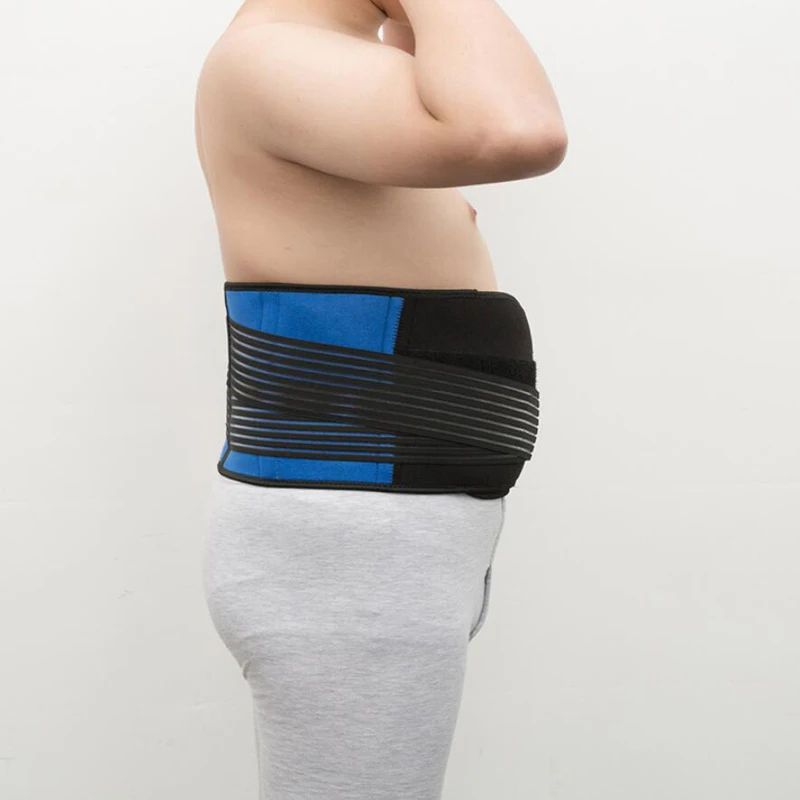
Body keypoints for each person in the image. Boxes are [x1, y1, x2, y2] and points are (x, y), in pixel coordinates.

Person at [195, 1, 566, 797]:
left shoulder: (316, 65)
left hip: (380, 532)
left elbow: (468, 106)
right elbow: (517, 130)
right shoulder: (268, 60)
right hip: (351, 542)